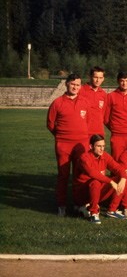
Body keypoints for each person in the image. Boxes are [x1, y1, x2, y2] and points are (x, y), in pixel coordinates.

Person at [46, 73, 89, 216]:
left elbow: (87, 122)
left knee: (80, 175)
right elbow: (50, 124)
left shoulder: (84, 102)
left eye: (78, 85)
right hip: (63, 144)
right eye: (72, 84)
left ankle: (79, 203)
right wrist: (61, 136)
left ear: (80, 86)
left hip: (81, 144)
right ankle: (62, 205)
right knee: (63, 176)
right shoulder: (57, 103)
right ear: (67, 84)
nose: (75, 87)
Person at [73, 134, 127, 224]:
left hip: (97, 192)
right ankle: (94, 213)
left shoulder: (105, 156)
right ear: (91, 146)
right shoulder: (84, 158)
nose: (102, 149)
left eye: (103, 146)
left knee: (123, 179)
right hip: (83, 194)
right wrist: (111, 182)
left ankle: (112, 210)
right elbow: (92, 173)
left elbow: (118, 168)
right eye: (99, 146)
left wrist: (123, 179)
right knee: (95, 182)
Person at [104, 71, 127, 160]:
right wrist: (115, 128)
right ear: (118, 81)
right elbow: (106, 118)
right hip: (117, 135)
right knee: (117, 160)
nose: (124, 83)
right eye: (122, 81)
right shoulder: (111, 96)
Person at [79, 66, 107, 137]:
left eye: (100, 78)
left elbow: (103, 114)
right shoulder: (80, 91)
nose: (98, 80)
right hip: (83, 131)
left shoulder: (103, 94)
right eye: (95, 77)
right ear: (90, 77)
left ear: (103, 79)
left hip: (99, 132)